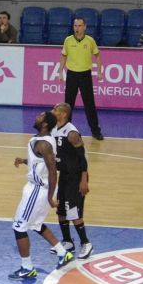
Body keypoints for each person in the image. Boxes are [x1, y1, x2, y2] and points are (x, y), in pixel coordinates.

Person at [9, 111, 74, 280]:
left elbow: (52, 170)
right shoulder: (40, 139)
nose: (36, 117)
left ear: (45, 124)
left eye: (40, 116)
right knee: (36, 224)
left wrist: (50, 197)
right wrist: (25, 161)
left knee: (19, 227)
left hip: (38, 190)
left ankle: (27, 268)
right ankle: (63, 253)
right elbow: (40, 162)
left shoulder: (43, 144)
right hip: (38, 188)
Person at [51, 102, 94, 260]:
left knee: (74, 212)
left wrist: (84, 180)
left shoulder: (72, 133)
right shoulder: (54, 130)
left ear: (63, 114)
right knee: (61, 211)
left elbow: (83, 158)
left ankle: (86, 243)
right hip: (64, 175)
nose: (52, 111)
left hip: (76, 177)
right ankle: (68, 241)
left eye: (55, 110)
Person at [58, 17, 104, 140]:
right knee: (68, 105)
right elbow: (63, 56)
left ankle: (95, 131)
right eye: (75, 26)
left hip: (85, 75)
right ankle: (65, 131)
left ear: (84, 27)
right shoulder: (68, 40)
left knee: (89, 104)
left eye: (79, 26)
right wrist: (60, 71)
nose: (77, 28)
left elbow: (97, 55)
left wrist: (99, 71)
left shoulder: (90, 40)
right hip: (72, 75)